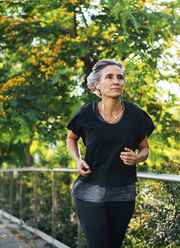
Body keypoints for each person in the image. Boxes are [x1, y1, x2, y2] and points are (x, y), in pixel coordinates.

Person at [66, 59, 155, 248]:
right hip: (89, 193)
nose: (116, 81)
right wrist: (77, 159)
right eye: (110, 77)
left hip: (123, 195)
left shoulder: (136, 115)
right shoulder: (86, 113)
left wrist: (136, 158)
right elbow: (71, 138)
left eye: (120, 77)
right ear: (97, 84)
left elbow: (145, 149)